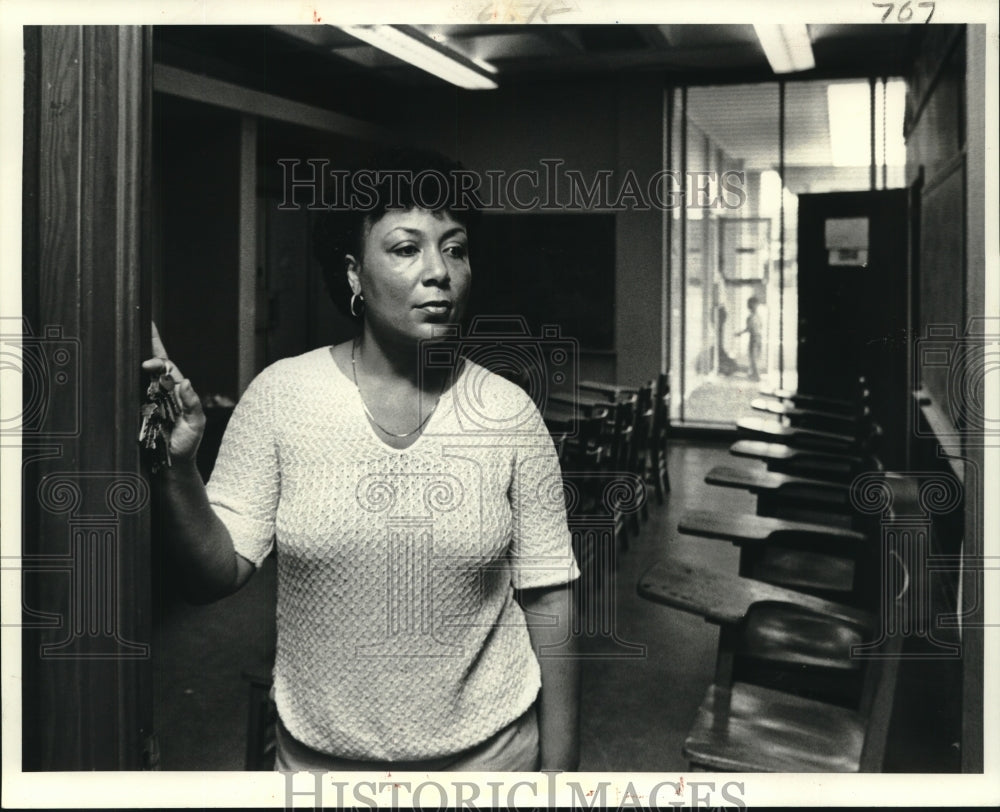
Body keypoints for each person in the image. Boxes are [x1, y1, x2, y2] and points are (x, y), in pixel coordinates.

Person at [142, 148, 581, 772]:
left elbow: (550, 598)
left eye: (454, 248)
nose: (440, 272)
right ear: (353, 275)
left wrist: (561, 779)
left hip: (492, 765)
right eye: (406, 248)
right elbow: (212, 575)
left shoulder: (508, 414)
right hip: (322, 768)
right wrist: (178, 468)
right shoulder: (281, 396)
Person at [735, 296, 763, 381]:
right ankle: (754, 374)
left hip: (755, 338)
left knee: (754, 357)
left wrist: (739, 333)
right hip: (757, 337)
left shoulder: (752, 317)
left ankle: (756, 375)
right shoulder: (757, 316)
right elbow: (759, 327)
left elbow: (749, 328)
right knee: (754, 357)